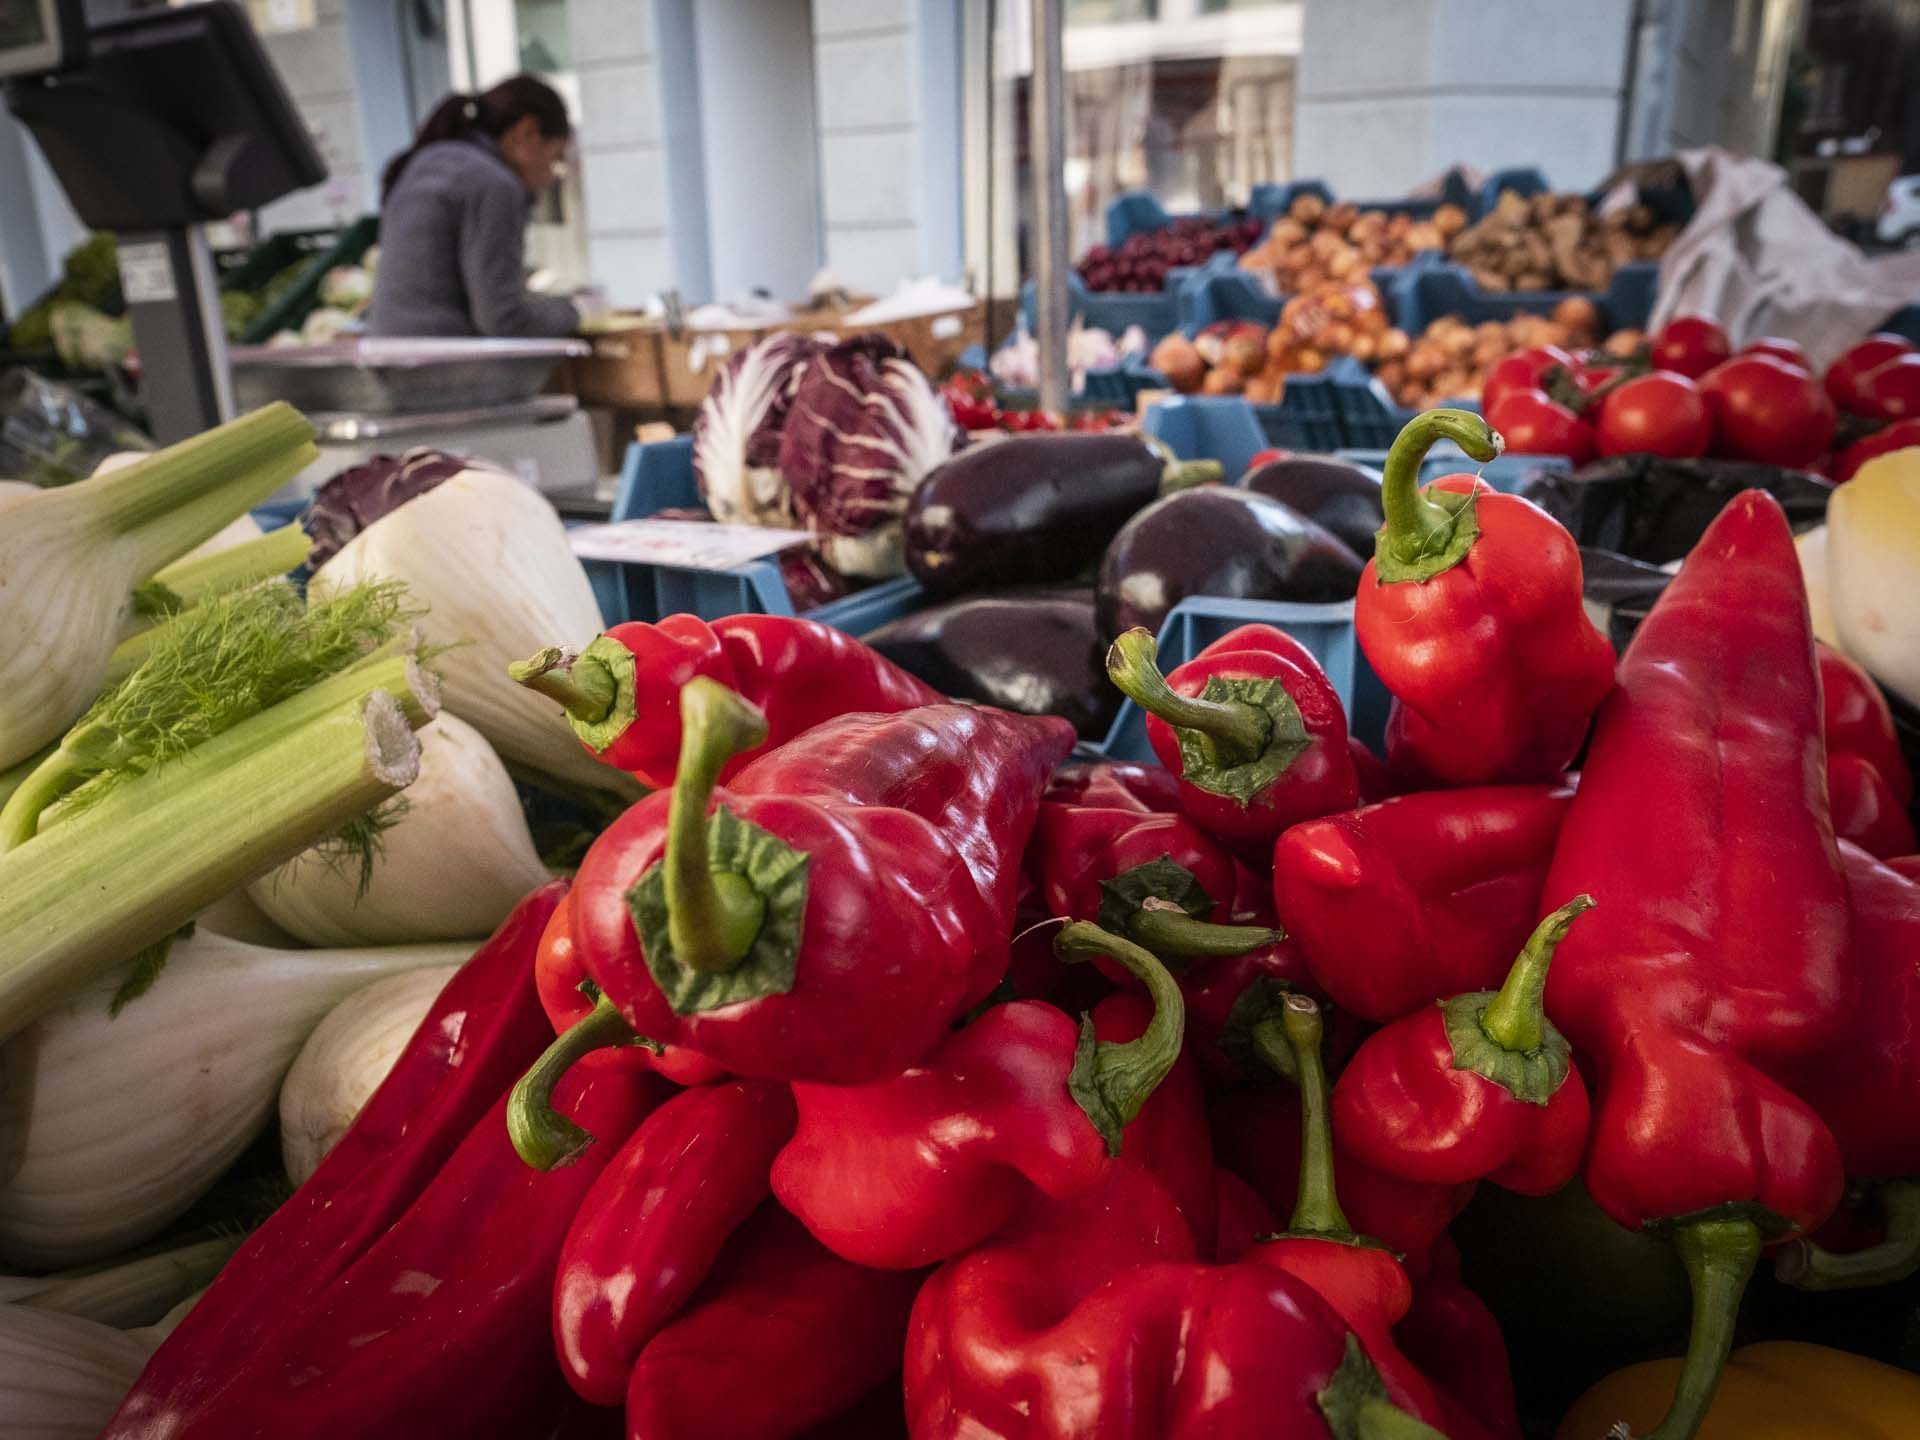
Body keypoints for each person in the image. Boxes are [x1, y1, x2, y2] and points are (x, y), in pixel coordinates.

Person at [369, 75, 596, 339]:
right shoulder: (494, 184)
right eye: (555, 158)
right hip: (450, 365)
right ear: (527, 132)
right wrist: (577, 311)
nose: (549, 177)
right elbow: (504, 320)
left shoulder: (429, 161)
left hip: (392, 354)